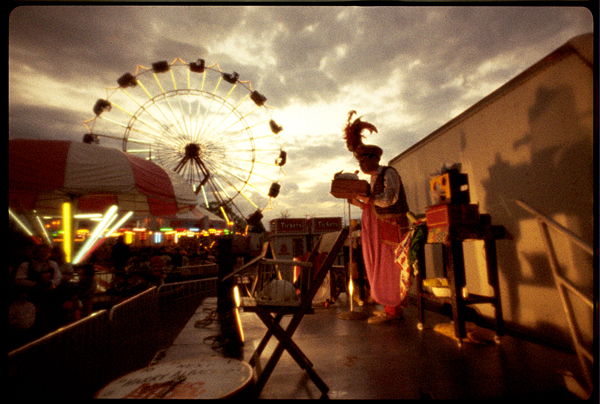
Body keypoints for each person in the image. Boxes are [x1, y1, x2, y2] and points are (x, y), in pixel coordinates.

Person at [344, 110, 410, 324]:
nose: (361, 165)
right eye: (359, 161)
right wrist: (355, 201)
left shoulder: (389, 173)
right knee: (377, 265)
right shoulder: (373, 179)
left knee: (390, 267)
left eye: (364, 160)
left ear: (375, 158)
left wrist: (369, 199)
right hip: (376, 226)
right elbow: (372, 202)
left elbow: (389, 199)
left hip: (390, 225)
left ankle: (393, 308)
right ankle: (389, 307)